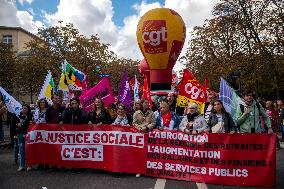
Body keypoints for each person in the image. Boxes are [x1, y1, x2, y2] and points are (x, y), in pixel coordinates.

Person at [16, 104, 32, 171]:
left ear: (28, 109)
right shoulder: (18, 116)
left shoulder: (30, 117)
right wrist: (17, 124)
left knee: (28, 150)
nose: (24, 109)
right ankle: (21, 165)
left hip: (27, 134)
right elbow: (15, 124)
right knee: (21, 150)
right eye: (23, 108)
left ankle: (29, 165)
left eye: (25, 108)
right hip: (20, 134)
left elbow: (30, 125)